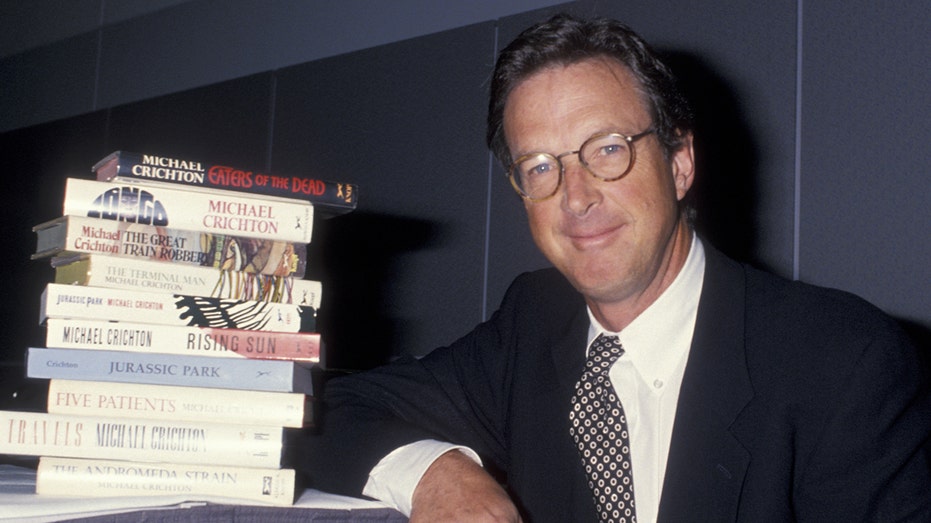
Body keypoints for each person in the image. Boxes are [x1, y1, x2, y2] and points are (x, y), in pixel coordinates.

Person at [293, 14, 931, 522]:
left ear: (679, 163)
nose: (576, 196)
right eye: (541, 166)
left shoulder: (843, 361)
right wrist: (432, 471)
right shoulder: (532, 325)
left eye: (608, 149)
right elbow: (322, 411)